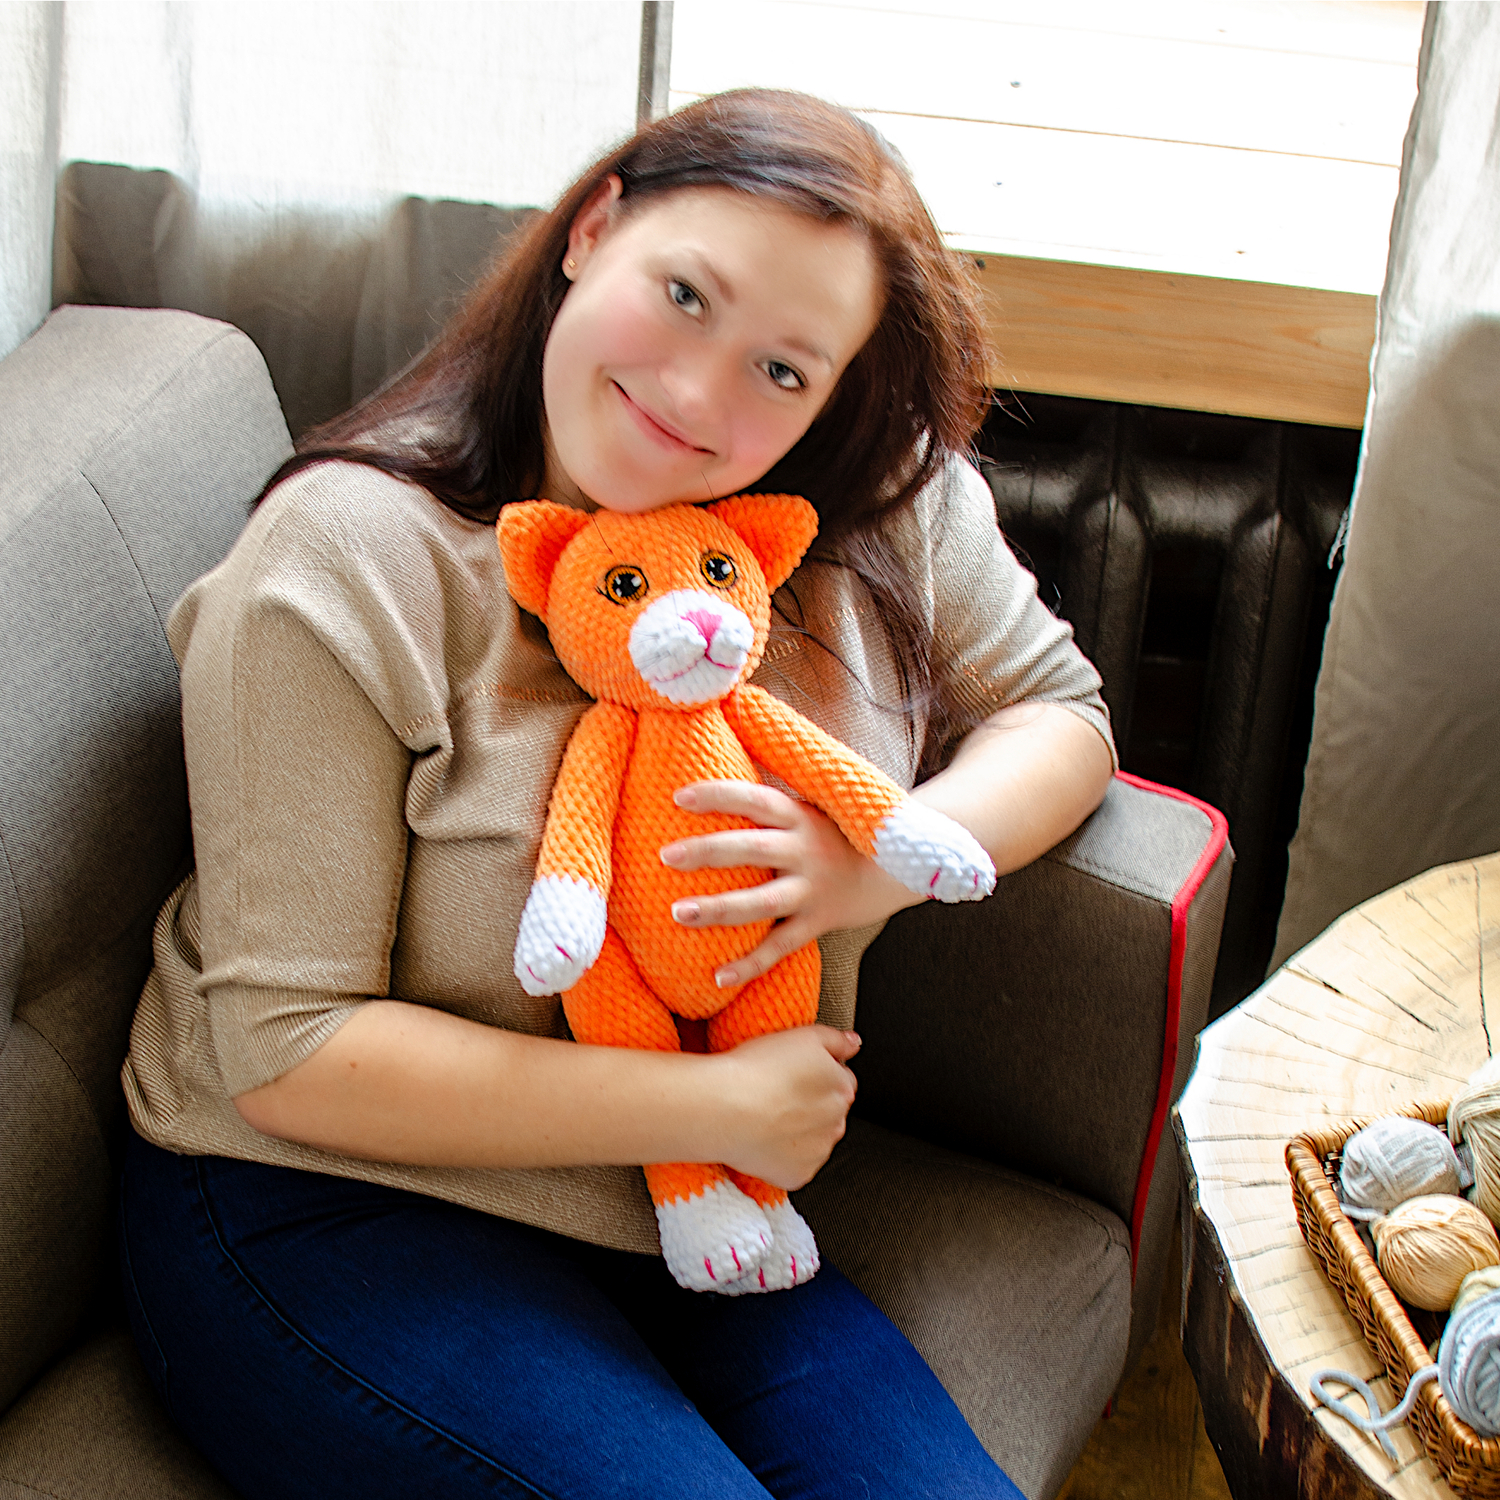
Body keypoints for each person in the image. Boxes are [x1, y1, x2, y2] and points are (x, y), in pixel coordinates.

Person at [118, 89, 1115, 1500]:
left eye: (784, 370)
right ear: (595, 228)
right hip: (325, 1201)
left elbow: (1060, 716)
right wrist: (705, 1108)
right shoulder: (346, 560)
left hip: (686, 1210)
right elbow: (288, 1055)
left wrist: (871, 865)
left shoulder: (869, 511)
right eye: (686, 294)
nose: (699, 396)